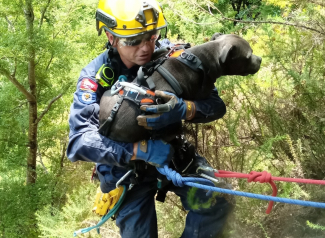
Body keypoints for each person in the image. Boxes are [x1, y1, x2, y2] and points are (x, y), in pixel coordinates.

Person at [67, 0, 232, 237]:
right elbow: (79, 142)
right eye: (134, 41)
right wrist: (139, 150)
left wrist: (184, 109)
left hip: (173, 153)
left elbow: (216, 106)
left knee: (216, 203)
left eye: (151, 36)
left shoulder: (172, 56)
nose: (145, 47)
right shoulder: (96, 78)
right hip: (124, 170)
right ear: (111, 37)